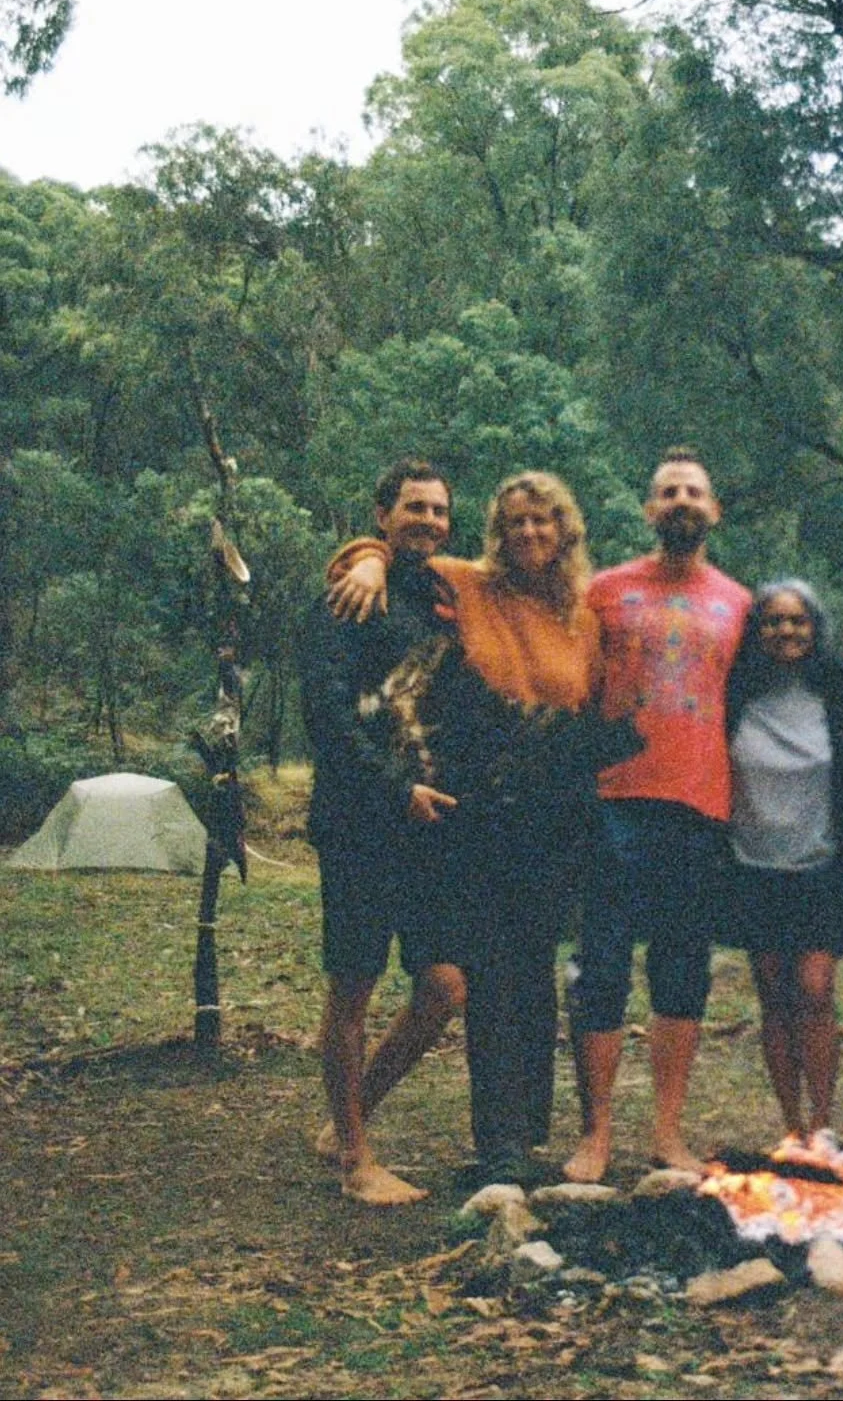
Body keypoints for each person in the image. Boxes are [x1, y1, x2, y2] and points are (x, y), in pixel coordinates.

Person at [325, 470, 610, 1184]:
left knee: (534, 978)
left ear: (565, 530)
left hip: (551, 814)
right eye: (514, 522)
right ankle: (498, 1143)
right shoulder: (469, 584)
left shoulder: (585, 614)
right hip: (475, 815)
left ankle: (527, 1134)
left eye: (543, 521)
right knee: (485, 974)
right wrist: (364, 553)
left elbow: (596, 706)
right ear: (497, 532)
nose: (528, 533)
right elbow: (397, 554)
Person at [563, 447, 750, 1183]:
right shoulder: (604, 592)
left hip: (700, 806)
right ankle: (597, 1134)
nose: (680, 501)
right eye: (667, 491)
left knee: (681, 973)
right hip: (612, 802)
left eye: (693, 492)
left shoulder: (739, 603)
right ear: (649, 510)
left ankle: (666, 1133)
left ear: (713, 511)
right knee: (602, 968)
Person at [300, 458, 466, 1206]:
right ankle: (356, 1162)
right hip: (361, 821)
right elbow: (329, 721)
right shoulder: (345, 599)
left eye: (438, 511)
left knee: (443, 986)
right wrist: (395, 793)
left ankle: (349, 1116)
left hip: (430, 826)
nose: (428, 521)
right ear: (380, 514)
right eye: (413, 508)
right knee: (354, 986)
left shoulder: (443, 598)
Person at [723, 580, 843, 1142]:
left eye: (797, 621)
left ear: (814, 628)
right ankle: (792, 1125)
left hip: (820, 866)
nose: (786, 632)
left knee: (815, 990)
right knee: (774, 998)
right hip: (753, 865)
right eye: (774, 622)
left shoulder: (836, 695)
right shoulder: (737, 696)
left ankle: (823, 1125)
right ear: (758, 631)